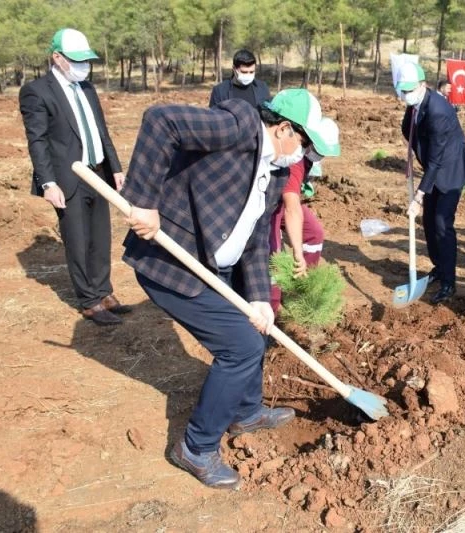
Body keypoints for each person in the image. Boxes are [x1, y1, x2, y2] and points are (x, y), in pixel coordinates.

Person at [121, 89, 338, 489]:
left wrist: (259, 297)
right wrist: (142, 201)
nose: (305, 157)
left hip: (216, 265)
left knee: (256, 330)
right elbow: (161, 121)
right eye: (305, 144)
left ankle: (246, 411)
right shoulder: (238, 126)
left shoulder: (272, 173)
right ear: (284, 128)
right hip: (172, 262)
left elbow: (255, 241)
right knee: (241, 349)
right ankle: (196, 448)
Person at [19, 28, 130, 326]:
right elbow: (38, 140)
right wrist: (47, 182)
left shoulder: (88, 88)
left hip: (98, 173)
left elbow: (101, 132)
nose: (84, 65)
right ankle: (89, 301)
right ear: (57, 58)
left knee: (101, 237)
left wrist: (115, 168)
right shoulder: (37, 92)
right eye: (76, 60)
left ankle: (104, 291)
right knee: (78, 241)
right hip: (67, 178)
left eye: (86, 60)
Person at [397, 62, 465, 304]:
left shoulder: (438, 110)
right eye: (403, 90)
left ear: (423, 85)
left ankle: (449, 281)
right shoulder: (417, 105)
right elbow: (407, 130)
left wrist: (419, 195)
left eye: (410, 90)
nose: (406, 95)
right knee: (429, 223)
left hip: (450, 171)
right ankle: (439, 267)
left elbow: (437, 158)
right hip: (434, 167)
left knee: (442, 223)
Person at [268, 118, 340, 312]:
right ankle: (270, 312)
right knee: (273, 253)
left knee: (314, 232)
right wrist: (297, 252)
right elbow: (292, 207)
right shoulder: (295, 161)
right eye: (320, 150)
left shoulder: (307, 158)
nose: (321, 155)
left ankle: (299, 289)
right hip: (269, 205)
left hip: (282, 202)